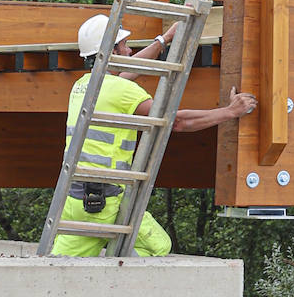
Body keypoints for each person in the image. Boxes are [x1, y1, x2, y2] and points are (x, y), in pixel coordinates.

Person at [53, 15, 257, 257]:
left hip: (76, 201)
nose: (129, 50)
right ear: (112, 51)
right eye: (124, 45)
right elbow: (178, 122)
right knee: (158, 246)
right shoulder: (121, 90)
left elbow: (125, 73)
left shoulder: (82, 86)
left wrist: (165, 39)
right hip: (106, 205)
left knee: (59, 268)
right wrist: (230, 111)